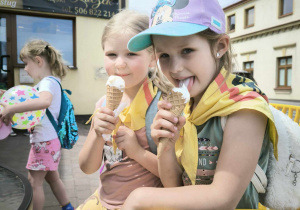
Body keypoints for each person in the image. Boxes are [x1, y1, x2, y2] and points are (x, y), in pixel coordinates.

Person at [123, 0, 278, 209]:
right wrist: (165, 147)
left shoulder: (245, 108)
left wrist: (139, 198)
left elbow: (223, 199)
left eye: (187, 50)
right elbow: (175, 186)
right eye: (164, 56)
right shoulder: (186, 108)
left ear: (220, 46)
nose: (176, 68)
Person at [77, 9, 170, 210]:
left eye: (131, 54)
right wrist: (96, 132)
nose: (119, 63)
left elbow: (175, 178)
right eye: (111, 54)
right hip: (103, 201)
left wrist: (137, 151)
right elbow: (87, 167)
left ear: (153, 57)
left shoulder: (162, 107)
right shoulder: (103, 104)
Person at [0, 40, 74, 210]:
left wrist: (11, 108)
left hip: (43, 142)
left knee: (35, 182)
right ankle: (68, 207)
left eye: (26, 63)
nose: (25, 68)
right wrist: (8, 97)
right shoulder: (50, 82)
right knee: (52, 178)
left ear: (39, 61)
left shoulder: (47, 83)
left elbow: (44, 102)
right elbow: (31, 103)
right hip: (50, 141)